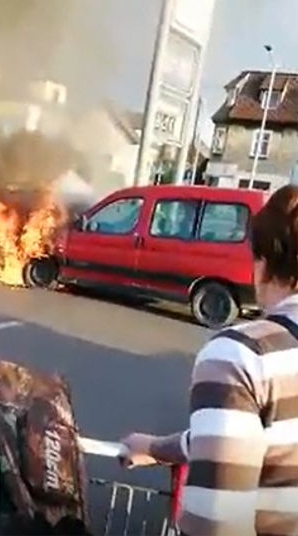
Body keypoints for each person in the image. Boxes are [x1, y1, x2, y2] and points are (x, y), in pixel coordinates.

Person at [121, 185, 298, 536]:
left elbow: (216, 527)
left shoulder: (243, 355)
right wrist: (157, 448)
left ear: (263, 260)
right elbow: (260, 437)